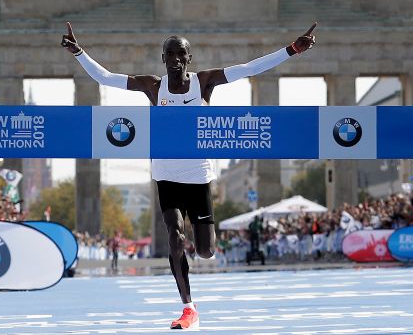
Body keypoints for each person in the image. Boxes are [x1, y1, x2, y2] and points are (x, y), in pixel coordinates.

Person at [61, 21, 316, 329]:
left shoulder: (204, 83)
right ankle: (188, 308)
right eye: (169, 54)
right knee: (175, 237)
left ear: (189, 58)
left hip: (198, 176)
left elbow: (249, 68)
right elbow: (105, 78)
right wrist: (79, 52)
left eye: (180, 53)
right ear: (163, 59)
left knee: (206, 250)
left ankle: (205, 245)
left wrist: (291, 50)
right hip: (166, 175)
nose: (175, 59)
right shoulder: (153, 87)